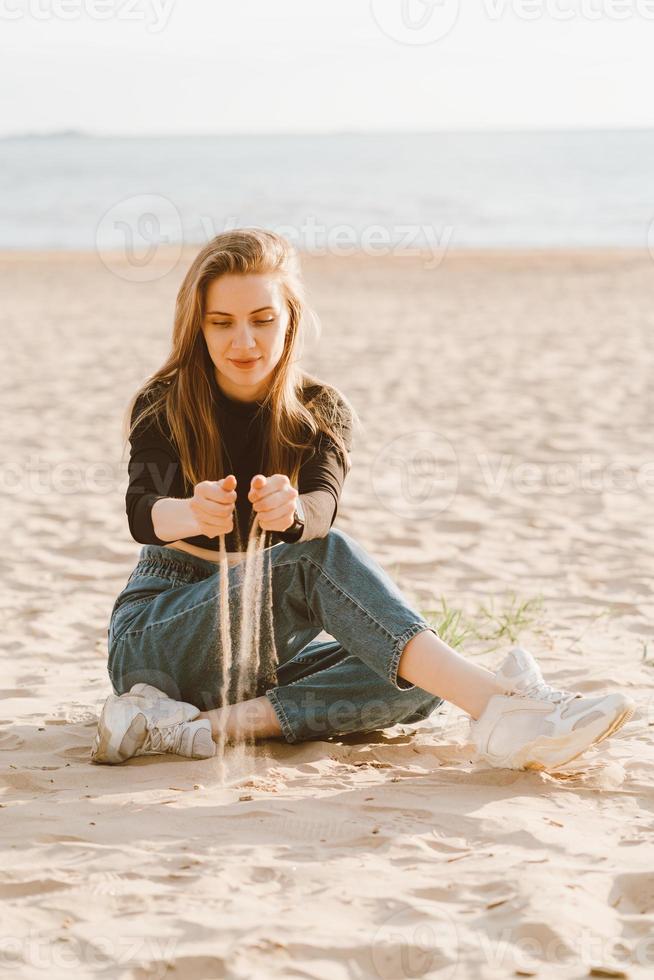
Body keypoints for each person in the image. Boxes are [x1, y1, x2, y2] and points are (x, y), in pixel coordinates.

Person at [91, 229, 635, 769]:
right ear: (198, 327)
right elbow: (141, 511)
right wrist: (187, 512)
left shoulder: (322, 409)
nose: (244, 342)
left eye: (262, 320)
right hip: (158, 634)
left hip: (256, 654)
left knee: (416, 678)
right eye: (222, 323)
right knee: (319, 560)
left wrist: (295, 513)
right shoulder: (164, 401)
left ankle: (190, 725)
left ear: (290, 319)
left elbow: (322, 505)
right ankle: (501, 706)